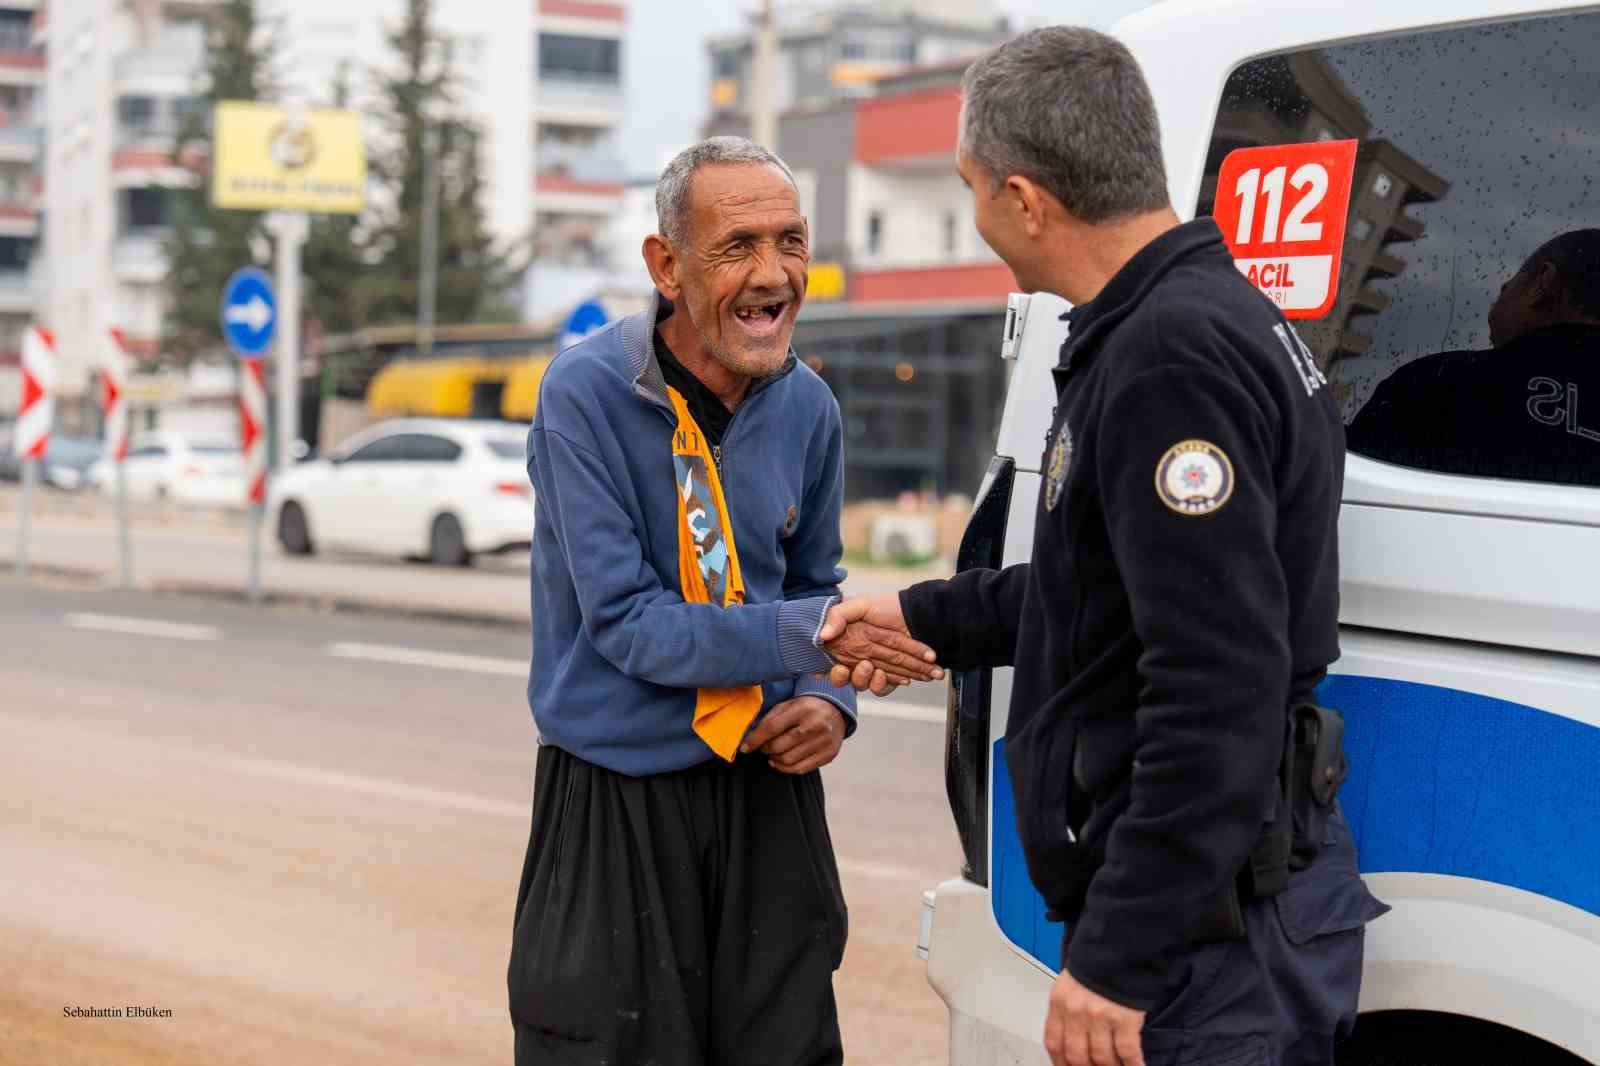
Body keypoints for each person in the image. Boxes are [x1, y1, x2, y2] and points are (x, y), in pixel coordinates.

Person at [822, 27, 1387, 1066]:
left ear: (1028, 200)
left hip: (1207, 940)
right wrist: (928, 615)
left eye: (973, 188)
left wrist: (1122, 955)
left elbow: (1217, 680)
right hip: (1221, 909)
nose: (978, 213)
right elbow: (1116, 594)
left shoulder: (1167, 353)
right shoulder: (1196, 314)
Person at [508, 136, 940, 1066]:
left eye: (791, 242)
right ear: (666, 265)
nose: (774, 273)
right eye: (738, 246)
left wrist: (832, 698)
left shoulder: (809, 408)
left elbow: (817, 582)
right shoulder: (582, 394)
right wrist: (818, 635)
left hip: (768, 800)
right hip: (618, 804)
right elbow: (628, 624)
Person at [1347, 229, 1600, 485]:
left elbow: (1339, 478)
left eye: (1517, 277)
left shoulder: (1438, 386)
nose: (1503, 287)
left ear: (1543, 283)